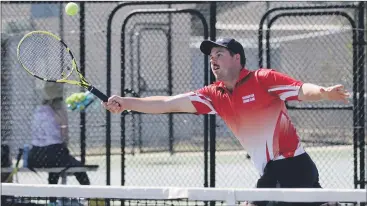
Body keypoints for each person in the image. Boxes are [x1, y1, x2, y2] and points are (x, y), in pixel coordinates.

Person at [102, 38, 349, 206]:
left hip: (291, 166)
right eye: (211, 56)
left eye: (219, 53)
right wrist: (126, 102)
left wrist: (324, 92)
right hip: (283, 172)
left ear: (237, 58)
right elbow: (168, 103)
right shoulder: (214, 95)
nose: (213, 59)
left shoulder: (262, 79)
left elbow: (300, 89)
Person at [28, 82, 90, 186]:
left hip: (34, 155)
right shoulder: (59, 111)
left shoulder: (38, 110)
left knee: (55, 167)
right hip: (52, 153)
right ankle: (91, 197)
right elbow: (64, 134)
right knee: (79, 168)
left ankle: (52, 200)